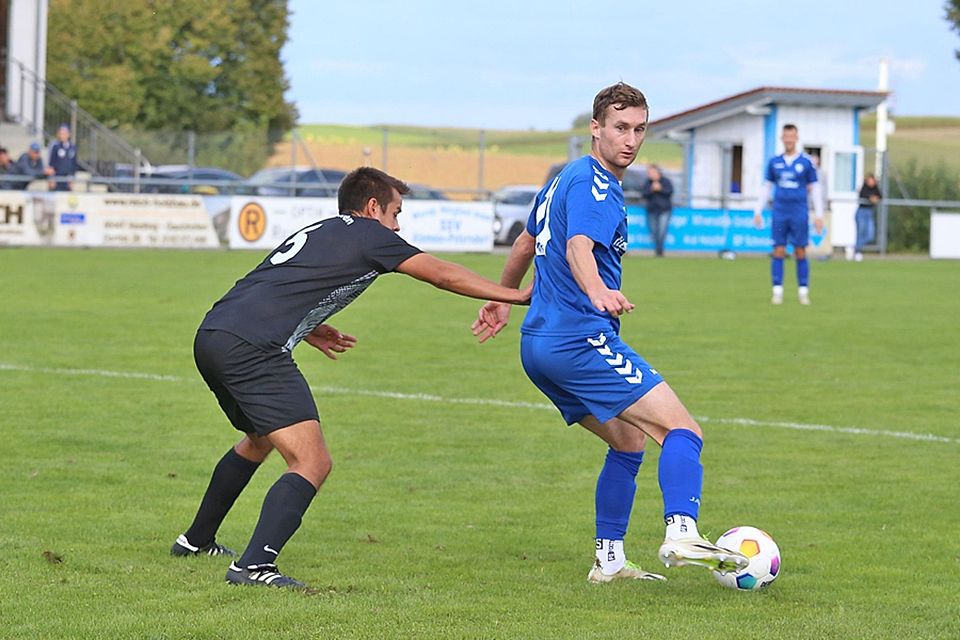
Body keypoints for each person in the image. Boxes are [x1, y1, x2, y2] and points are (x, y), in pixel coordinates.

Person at [172, 167, 530, 589]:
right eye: (396, 212)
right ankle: (253, 567)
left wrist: (308, 325)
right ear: (372, 206)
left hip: (214, 334)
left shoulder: (323, 229)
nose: (398, 225)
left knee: (259, 439)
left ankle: (195, 541)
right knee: (312, 461)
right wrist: (514, 295)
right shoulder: (370, 233)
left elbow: (278, 286)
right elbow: (442, 273)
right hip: (253, 349)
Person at [471, 82, 748, 584]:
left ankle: (609, 561)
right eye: (621, 127)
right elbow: (579, 245)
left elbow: (526, 241)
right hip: (580, 340)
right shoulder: (595, 182)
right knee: (682, 430)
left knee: (627, 444)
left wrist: (503, 296)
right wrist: (597, 289)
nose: (631, 139)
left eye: (640, 129)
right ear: (595, 129)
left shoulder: (565, 178)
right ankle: (682, 530)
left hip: (539, 347)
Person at [753, 124, 824, 305]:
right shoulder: (774, 162)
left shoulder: (806, 162)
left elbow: (815, 189)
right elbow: (767, 187)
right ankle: (777, 291)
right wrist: (758, 210)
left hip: (799, 211)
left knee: (800, 250)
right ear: (782, 138)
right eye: (786, 136)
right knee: (778, 250)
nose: (789, 140)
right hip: (780, 211)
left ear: (796, 138)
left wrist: (819, 214)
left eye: (792, 136)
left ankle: (803, 291)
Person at [641, 164, 674, 257]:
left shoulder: (665, 181)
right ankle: (658, 249)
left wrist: (660, 189)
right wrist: (651, 190)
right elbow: (644, 194)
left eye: (651, 172)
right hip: (652, 210)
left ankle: (659, 251)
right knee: (654, 231)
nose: (649, 174)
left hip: (664, 210)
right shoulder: (648, 183)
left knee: (662, 231)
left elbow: (670, 192)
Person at [855, 174, 881, 262]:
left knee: (870, 235)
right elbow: (863, 195)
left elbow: (880, 196)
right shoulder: (864, 187)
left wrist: (875, 198)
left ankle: (856, 247)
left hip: (869, 212)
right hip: (861, 212)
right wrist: (871, 198)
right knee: (860, 232)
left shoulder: (875, 188)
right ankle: (857, 251)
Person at [48, 124, 78, 191]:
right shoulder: (55, 146)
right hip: (57, 177)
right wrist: (52, 179)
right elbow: (51, 163)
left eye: (64, 133)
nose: (63, 135)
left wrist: (72, 179)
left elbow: (74, 164)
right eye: (61, 133)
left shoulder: (73, 147)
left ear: (68, 134)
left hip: (67, 179)